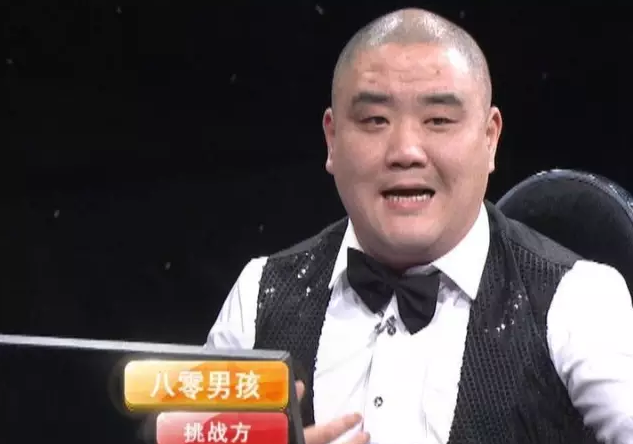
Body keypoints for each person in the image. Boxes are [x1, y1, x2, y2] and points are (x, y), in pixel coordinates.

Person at [206, 7, 633, 444]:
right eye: (375, 120)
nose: (406, 151)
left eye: (438, 121)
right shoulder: (258, 295)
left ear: (490, 139)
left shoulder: (579, 300)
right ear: (332, 140)